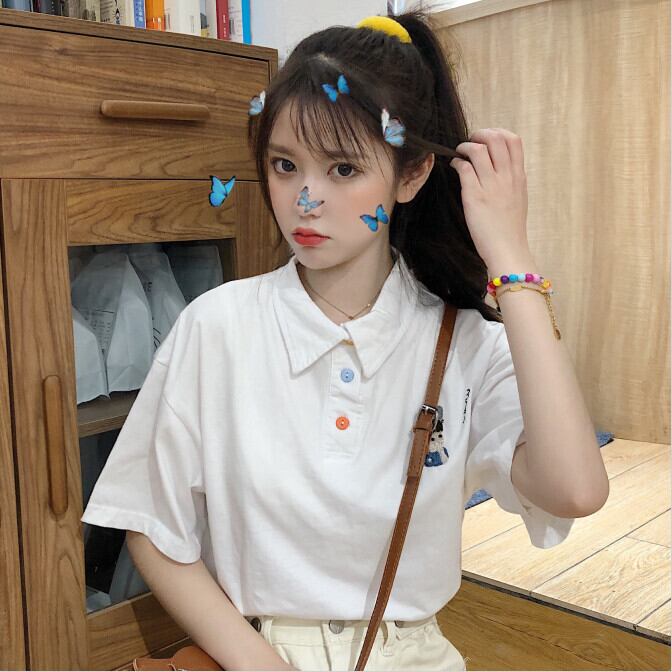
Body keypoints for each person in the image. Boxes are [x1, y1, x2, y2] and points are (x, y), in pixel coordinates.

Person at [81, 7, 591, 671]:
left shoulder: (462, 342)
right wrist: (260, 664)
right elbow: (151, 527)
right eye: (284, 165)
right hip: (254, 651)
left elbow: (574, 490)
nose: (305, 199)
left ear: (411, 175)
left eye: (343, 169)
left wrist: (511, 260)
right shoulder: (217, 326)